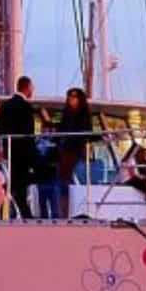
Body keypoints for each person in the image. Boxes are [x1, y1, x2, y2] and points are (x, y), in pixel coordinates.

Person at [0, 75, 39, 220]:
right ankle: (24, 212)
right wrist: (33, 152)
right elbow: (29, 132)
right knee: (23, 181)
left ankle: (16, 208)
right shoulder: (26, 107)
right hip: (24, 151)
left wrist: (7, 142)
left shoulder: (6, 106)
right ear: (26, 88)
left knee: (18, 181)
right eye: (32, 87)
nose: (33, 90)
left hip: (11, 149)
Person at [55, 88, 93, 218]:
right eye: (70, 96)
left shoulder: (84, 115)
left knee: (68, 179)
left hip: (76, 152)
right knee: (63, 179)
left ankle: (72, 209)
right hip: (65, 151)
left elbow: (87, 132)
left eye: (74, 97)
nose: (71, 99)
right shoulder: (66, 114)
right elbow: (62, 129)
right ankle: (63, 211)